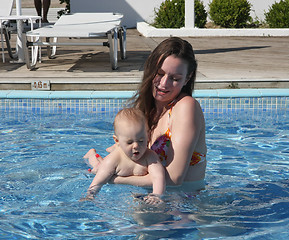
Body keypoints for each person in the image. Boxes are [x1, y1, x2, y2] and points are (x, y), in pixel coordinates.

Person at [87, 37, 207, 192]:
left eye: (175, 78)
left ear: (187, 78)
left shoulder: (186, 107)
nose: (164, 84)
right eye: (159, 73)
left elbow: (175, 178)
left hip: (184, 205)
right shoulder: (145, 109)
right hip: (153, 198)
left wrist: (114, 179)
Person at [81, 108, 166, 204]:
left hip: (135, 194)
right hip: (109, 164)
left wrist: (156, 196)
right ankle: (91, 154)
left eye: (141, 141)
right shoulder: (114, 159)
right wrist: (90, 195)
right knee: (97, 168)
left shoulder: (150, 156)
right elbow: (98, 181)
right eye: (130, 142)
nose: (136, 146)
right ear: (117, 141)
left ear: (148, 136)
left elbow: (158, 177)